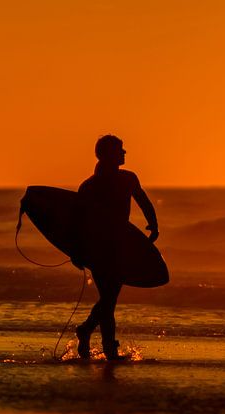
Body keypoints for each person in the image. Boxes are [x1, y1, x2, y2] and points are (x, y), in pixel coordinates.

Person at [73, 134, 159, 360]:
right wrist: (76, 252)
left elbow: (143, 201)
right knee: (109, 298)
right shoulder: (90, 186)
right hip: (99, 248)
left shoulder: (128, 179)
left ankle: (89, 332)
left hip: (120, 246)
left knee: (109, 298)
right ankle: (107, 347)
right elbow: (77, 223)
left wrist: (153, 223)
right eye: (120, 149)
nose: (124, 153)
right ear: (109, 155)